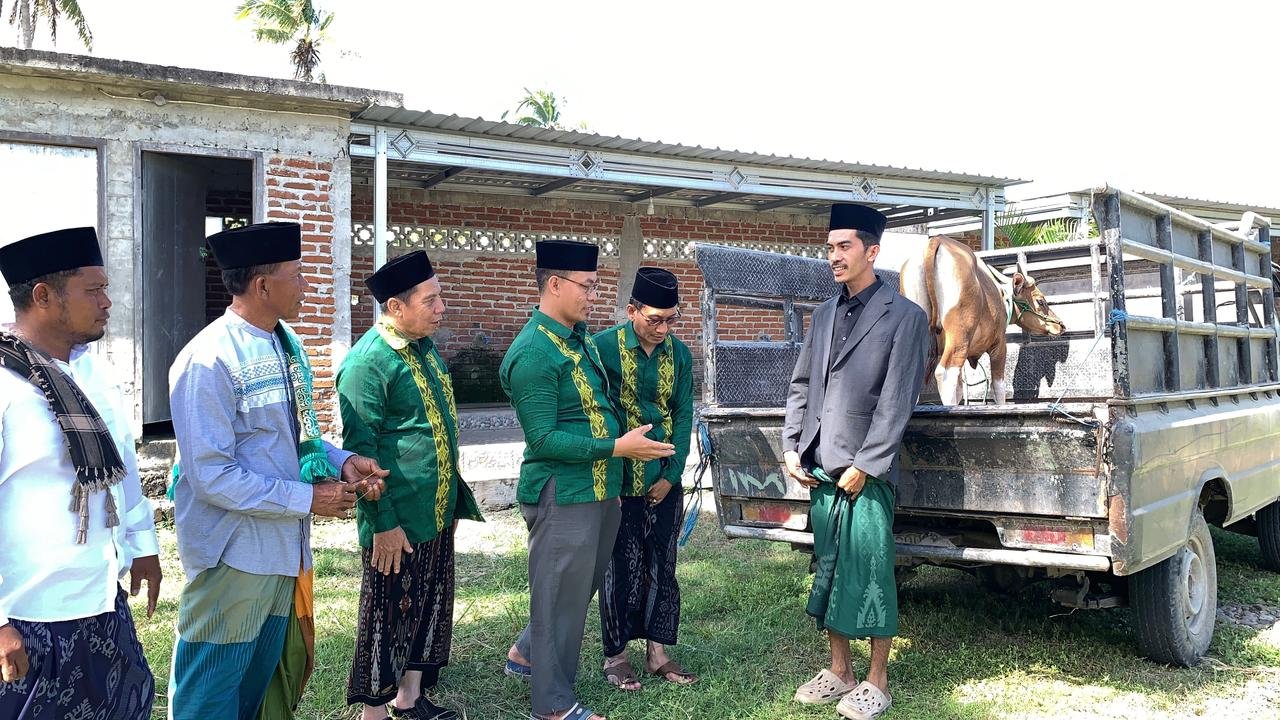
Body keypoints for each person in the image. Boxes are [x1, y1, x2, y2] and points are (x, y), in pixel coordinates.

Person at [168, 221, 387, 720]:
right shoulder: (209, 360)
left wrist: (343, 462)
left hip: (284, 549)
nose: (307, 285)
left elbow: (292, 436)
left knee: (262, 684)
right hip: (234, 555)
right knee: (210, 690)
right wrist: (307, 498)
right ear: (263, 286)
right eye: (298, 274)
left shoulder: (285, 345)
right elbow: (211, 475)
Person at [501, 240, 674, 720]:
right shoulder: (534, 351)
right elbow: (542, 439)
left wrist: (615, 469)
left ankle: (527, 653)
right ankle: (553, 704)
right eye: (588, 286)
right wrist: (617, 448)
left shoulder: (576, 338)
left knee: (577, 588)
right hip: (563, 492)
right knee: (559, 593)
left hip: (599, 489)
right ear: (555, 285)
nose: (594, 296)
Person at [0, 227, 161, 720]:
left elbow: (123, 468)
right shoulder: (6, 385)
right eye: (93, 290)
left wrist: (143, 546)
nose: (107, 302)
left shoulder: (93, 373)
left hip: (102, 600)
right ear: (43, 296)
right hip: (29, 618)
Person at [782, 204, 929, 720]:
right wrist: (792, 445)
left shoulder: (906, 317)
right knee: (828, 569)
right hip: (822, 467)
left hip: (868, 473)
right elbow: (802, 384)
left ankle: (877, 680)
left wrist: (867, 463)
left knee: (870, 573)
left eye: (844, 246)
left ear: (872, 251)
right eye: (830, 248)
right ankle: (839, 670)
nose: (834, 256)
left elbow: (897, 399)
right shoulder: (823, 314)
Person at [339, 250, 483, 720]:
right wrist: (383, 523)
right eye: (430, 300)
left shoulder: (424, 348)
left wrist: (450, 502)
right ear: (396, 307)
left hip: (434, 509)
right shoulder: (368, 363)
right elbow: (360, 454)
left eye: (440, 297)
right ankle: (374, 712)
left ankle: (410, 697)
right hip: (395, 519)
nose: (442, 307)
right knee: (387, 615)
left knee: (428, 605)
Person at [594, 267, 697, 691]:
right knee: (620, 569)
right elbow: (596, 414)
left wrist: (672, 475)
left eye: (671, 319)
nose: (663, 329)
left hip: (663, 481)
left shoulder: (680, 354)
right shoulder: (602, 348)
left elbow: (684, 414)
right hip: (618, 483)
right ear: (631, 310)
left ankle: (658, 653)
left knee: (662, 567)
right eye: (655, 319)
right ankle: (616, 656)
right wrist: (612, 476)